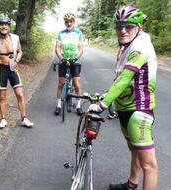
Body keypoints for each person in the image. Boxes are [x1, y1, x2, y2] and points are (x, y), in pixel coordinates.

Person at [89, 6, 158, 190]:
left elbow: (125, 78)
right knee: (134, 150)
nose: (123, 30)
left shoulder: (140, 47)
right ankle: (131, 185)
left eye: (128, 26)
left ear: (139, 27)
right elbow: (120, 78)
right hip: (125, 109)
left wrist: (103, 104)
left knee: (148, 165)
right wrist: (109, 94)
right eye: (119, 26)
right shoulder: (125, 46)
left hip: (139, 111)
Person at [0, 16, 34, 129]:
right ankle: (3, 119)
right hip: (1, 68)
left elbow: (20, 52)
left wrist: (17, 61)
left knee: (19, 94)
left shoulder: (15, 38)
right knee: (2, 96)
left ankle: (24, 118)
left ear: (9, 26)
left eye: (6, 24)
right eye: (1, 24)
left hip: (12, 67)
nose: (3, 26)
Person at [54, 12, 84, 116]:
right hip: (63, 60)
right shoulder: (61, 33)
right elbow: (57, 47)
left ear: (74, 22)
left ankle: (79, 106)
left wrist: (75, 58)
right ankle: (58, 105)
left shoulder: (78, 33)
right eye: (67, 21)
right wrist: (61, 58)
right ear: (64, 22)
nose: (69, 23)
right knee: (60, 84)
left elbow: (81, 49)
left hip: (74, 62)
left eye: (71, 21)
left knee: (76, 83)